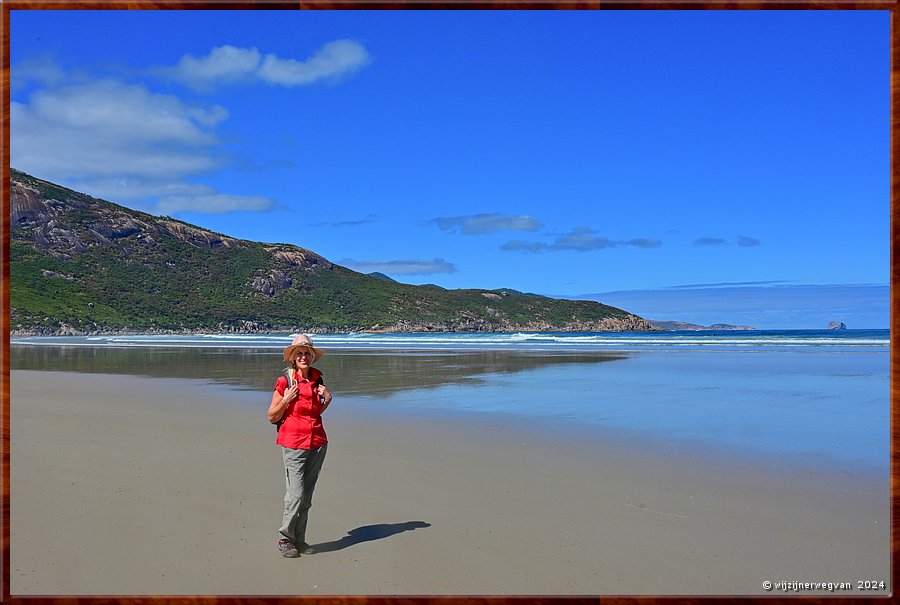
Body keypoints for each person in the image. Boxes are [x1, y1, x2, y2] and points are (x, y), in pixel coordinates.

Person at [268, 334, 333, 558]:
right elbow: (271, 416)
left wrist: (328, 400)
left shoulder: (317, 380)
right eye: (299, 353)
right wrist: (286, 399)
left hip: (317, 443)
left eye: (307, 353)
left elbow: (315, 414)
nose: (303, 356)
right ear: (292, 358)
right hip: (293, 444)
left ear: (312, 356)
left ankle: (299, 539)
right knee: (295, 494)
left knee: (306, 497)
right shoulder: (285, 382)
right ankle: (285, 538)